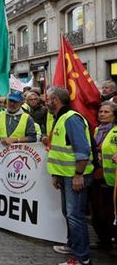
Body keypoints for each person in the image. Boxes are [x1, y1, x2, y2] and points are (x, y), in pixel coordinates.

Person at [46, 88, 93, 265]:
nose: (46, 102)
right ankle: (73, 245)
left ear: (56, 100)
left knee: (76, 216)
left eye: (49, 99)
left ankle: (82, 259)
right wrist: (57, 174)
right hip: (66, 176)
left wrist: (79, 175)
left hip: (75, 176)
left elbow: (82, 150)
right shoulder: (60, 118)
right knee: (69, 213)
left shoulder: (71, 118)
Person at [89, 101, 117, 250]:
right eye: (101, 112)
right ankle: (104, 240)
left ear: (114, 114)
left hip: (113, 179)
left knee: (111, 212)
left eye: (106, 112)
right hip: (98, 176)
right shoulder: (97, 130)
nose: (102, 114)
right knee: (98, 211)